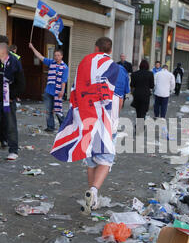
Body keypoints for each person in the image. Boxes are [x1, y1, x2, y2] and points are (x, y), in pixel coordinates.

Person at [50, 37, 126, 213]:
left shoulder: (84, 65)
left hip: (86, 117)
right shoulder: (118, 70)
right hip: (107, 119)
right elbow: (120, 99)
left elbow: (75, 91)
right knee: (106, 158)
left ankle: (92, 198)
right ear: (110, 50)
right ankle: (93, 191)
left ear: (95, 47)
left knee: (91, 159)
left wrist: (74, 115)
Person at [0, 36, 22, 149]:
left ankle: (9, 143)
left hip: (8, 97)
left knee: (9, 121)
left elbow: (20, 80)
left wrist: (14, 95)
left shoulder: (14, 59)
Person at [29, 43, 69, 132]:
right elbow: (40, 56)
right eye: (55, 55)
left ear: (62, 56)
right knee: (48, 110)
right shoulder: (51, 63)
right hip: (48, 91)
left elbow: (64, 80)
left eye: (58, 55)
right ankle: (50, 127)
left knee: (58, 110)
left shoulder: (65, 67)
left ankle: (64, 127)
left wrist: (62, 91)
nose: (56, 57)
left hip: (58, 91)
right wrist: (32, 47)